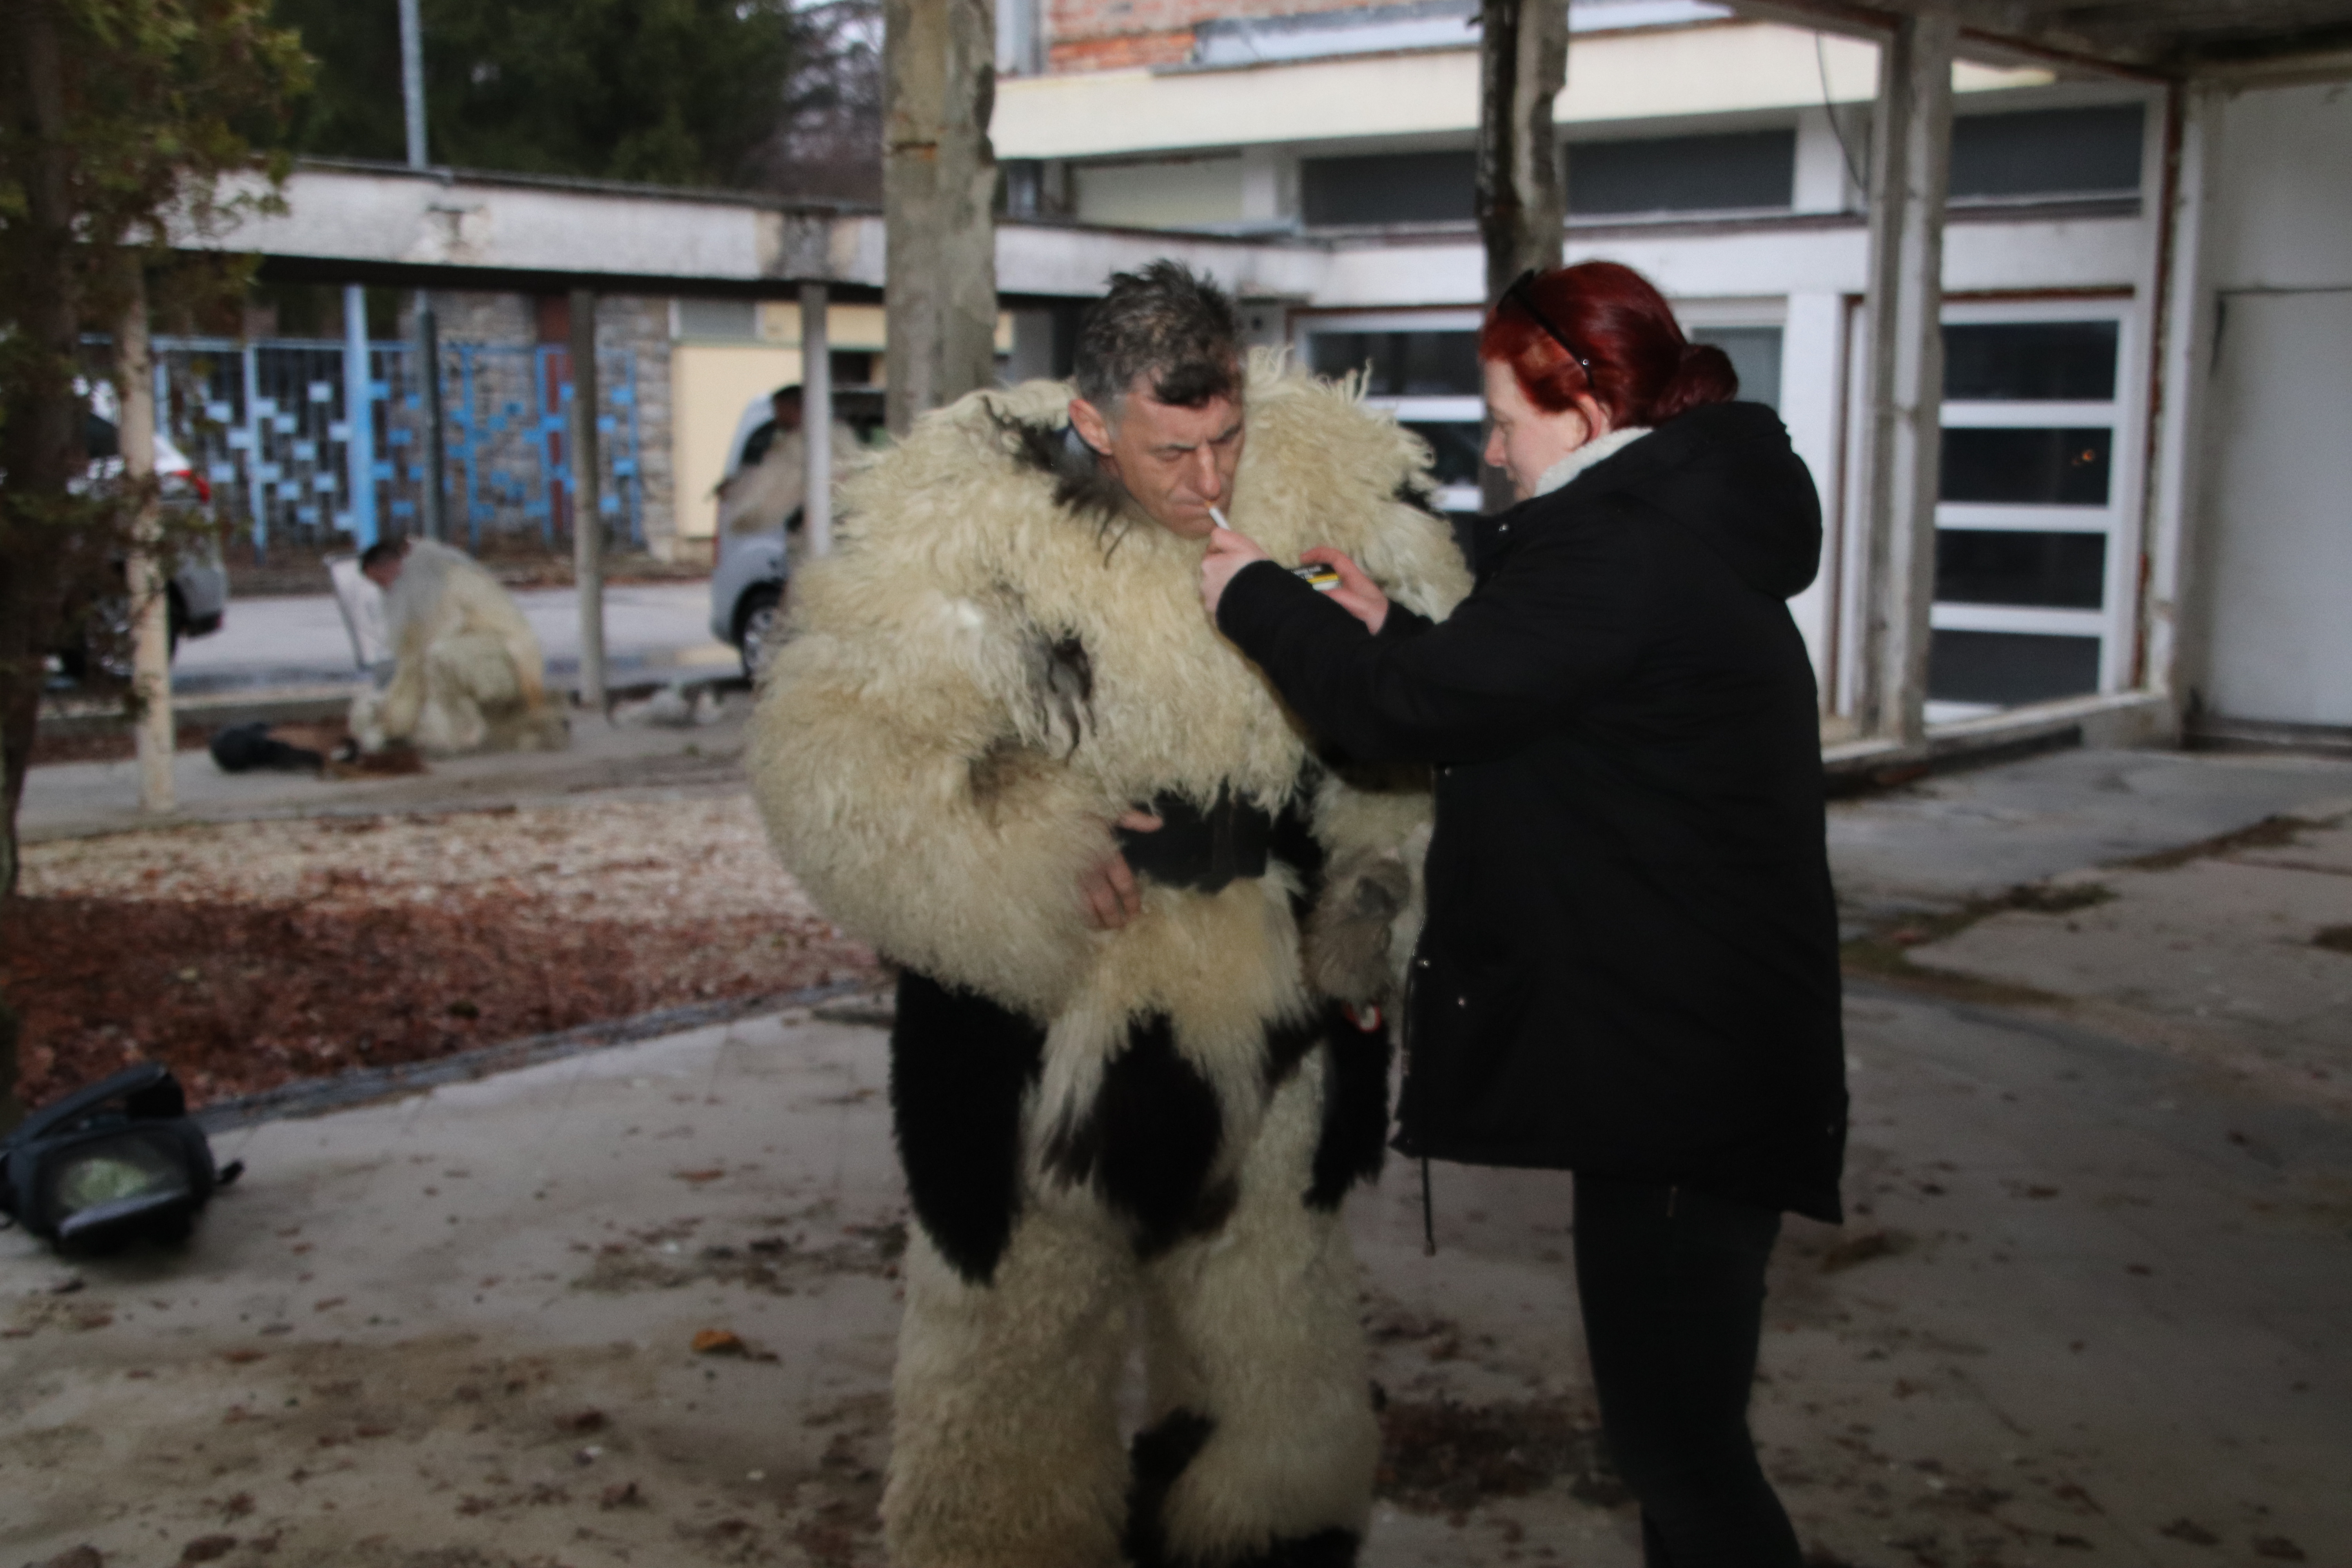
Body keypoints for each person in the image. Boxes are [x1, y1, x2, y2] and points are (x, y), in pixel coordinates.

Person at [747, 261, 1472, 1568]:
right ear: (1093, 422)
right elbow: (836, 756)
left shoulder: (1339, 491)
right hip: (1046, 1018)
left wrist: (1376, 889)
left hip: (1272, 1009)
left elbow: (1425, 711)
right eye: (1170, 448)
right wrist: (1024, 835)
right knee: (1014, 1353)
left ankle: (1259, 1530)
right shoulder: (966, 525)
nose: (1208, 480)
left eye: (1226, 437)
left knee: (1279, 1338)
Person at [1201, 260, 1848, 1568]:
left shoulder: (1626, 550)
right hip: (1701, 1055)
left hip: (1686, 1079)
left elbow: (1408, 715)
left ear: (1589, 409)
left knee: (1684, 1452)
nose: (1491, 457)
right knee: (1685, 1440)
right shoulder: (1680, 527)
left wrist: (1249, 593)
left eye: (1504, 422)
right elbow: (1514, 685)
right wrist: (1396, 623)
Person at [349, 537, 568, 755]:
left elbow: (420, 661)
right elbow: (411, 667)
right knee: (435, 660)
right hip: (489, 654)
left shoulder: (435, 587)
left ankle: (460, 737)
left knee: (439, 656)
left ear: (391, 566)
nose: (384, 590)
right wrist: (394, 722)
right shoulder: (423, 587)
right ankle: (462, 732)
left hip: (502, 657)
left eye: (381, 581)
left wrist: (394, 721)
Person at [715, 383, 862, 552]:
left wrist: (735, 491)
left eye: (779, 409)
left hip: (826, 540)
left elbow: (766, 498)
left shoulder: (801, 445)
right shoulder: (837, 435)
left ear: (794, 408)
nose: (777, 418)